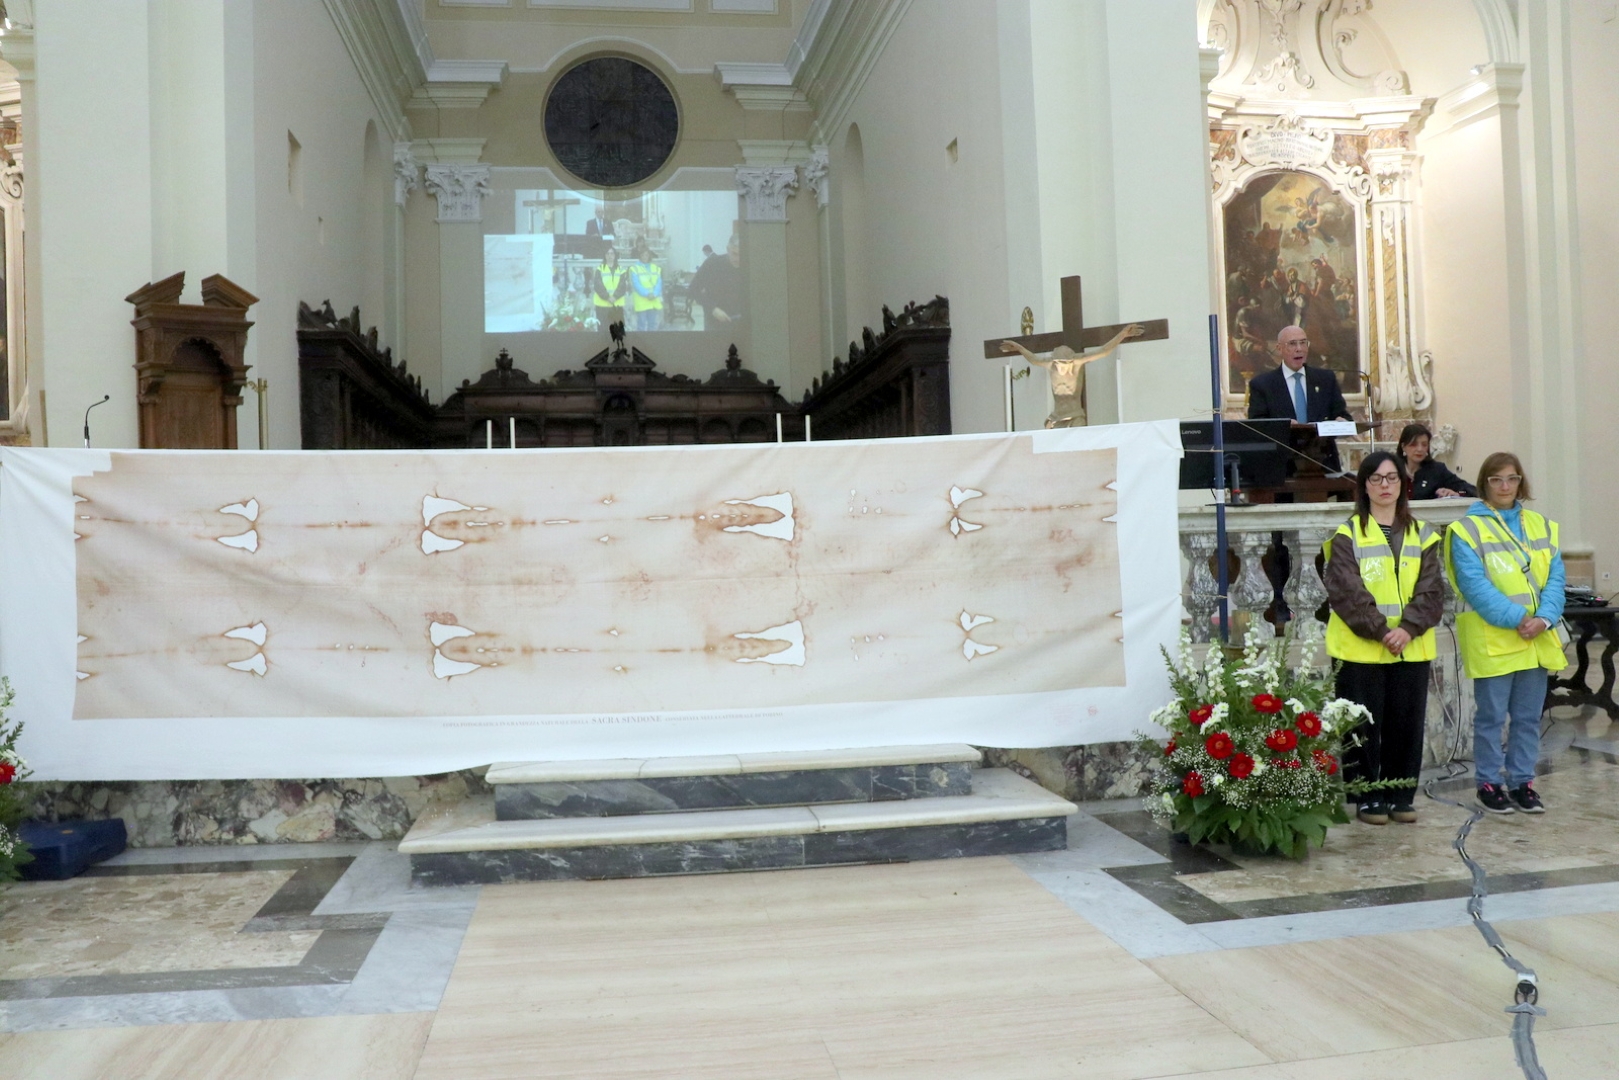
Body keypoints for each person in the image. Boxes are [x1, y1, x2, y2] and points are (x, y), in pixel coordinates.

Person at [1322, 451, 1446, 824]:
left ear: (1403, 484)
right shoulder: (1348, 534)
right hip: (1360, 648)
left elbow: (1431, 590)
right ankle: (1366, 798)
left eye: (1392, 477)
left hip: (1410, 646)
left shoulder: (1423, 534)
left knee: (1405, 725)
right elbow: (1346, 591)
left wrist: (1406, 629)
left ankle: (1400, 795)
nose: (1384, 485)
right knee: (1361, 728)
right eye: (1375, 478)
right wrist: (1381, 630)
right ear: (1364, 486)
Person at [1445, 452, 1566, 815]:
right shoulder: (1466, 529)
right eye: (1496, 479)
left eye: (1511, 478)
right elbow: (1474, 585)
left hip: (1536, 637)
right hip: (1495, 638)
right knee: (1491, 718)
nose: (1504, 486)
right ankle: (1488, 783)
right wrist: (1519, 618)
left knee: (1528, 718)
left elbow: (1556, 578)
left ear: (1520, 482)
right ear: (1484, 483)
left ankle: (1522, 782)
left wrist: (1544, 618)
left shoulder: (1541, 525)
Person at [1246, 325, 1352, 426]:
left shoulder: (1326, 379)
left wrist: (1342, 421)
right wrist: (1283, 426)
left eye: (1303, 343)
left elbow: (1342, 415)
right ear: (1279, 348)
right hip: (1283, 439)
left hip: (1320, 439)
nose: (1299, 349)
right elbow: (1257, 425)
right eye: (1292, 344)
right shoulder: (1262, 384)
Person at [1397, 422, 1476, 500]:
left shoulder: (1437, 470)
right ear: (1403, 447)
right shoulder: (1394, 469)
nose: (1420, 449)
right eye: (1414, 445)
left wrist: (1457, 494)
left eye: (1424, 445)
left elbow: (1471, 490)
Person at [689, 235, 744, 328]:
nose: (738, 259)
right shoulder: (712, 263)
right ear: (728, 249)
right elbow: (693, 289)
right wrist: (712, 308)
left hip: (741, 324)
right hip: (714, 324)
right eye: (734, 254)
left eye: (742, 255)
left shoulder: (749, 267)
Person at [628, 241, 663, 332]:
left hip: (653, 300)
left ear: (649, 256)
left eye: (647, 255)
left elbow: (659, 283)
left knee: (652, 325)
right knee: (641, 325)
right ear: (640, 256)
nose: (645, 257)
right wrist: (647, 294)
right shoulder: (634, 268)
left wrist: (655, 294)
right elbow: (636, 284)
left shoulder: (655, 268)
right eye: (643, 255)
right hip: (641, 301)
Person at [591, 245, 628, 326]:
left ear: (615, 255)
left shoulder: (621, 269)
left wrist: (615, 297)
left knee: (617, 330)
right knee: (603, 329)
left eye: (612, 253)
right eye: (607, 253)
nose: (609, 256)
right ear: (604, 256)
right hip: (602, 304)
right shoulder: (599, 269)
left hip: (617, 304)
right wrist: (607, 297)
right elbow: (598, 285)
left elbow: (623, 286)